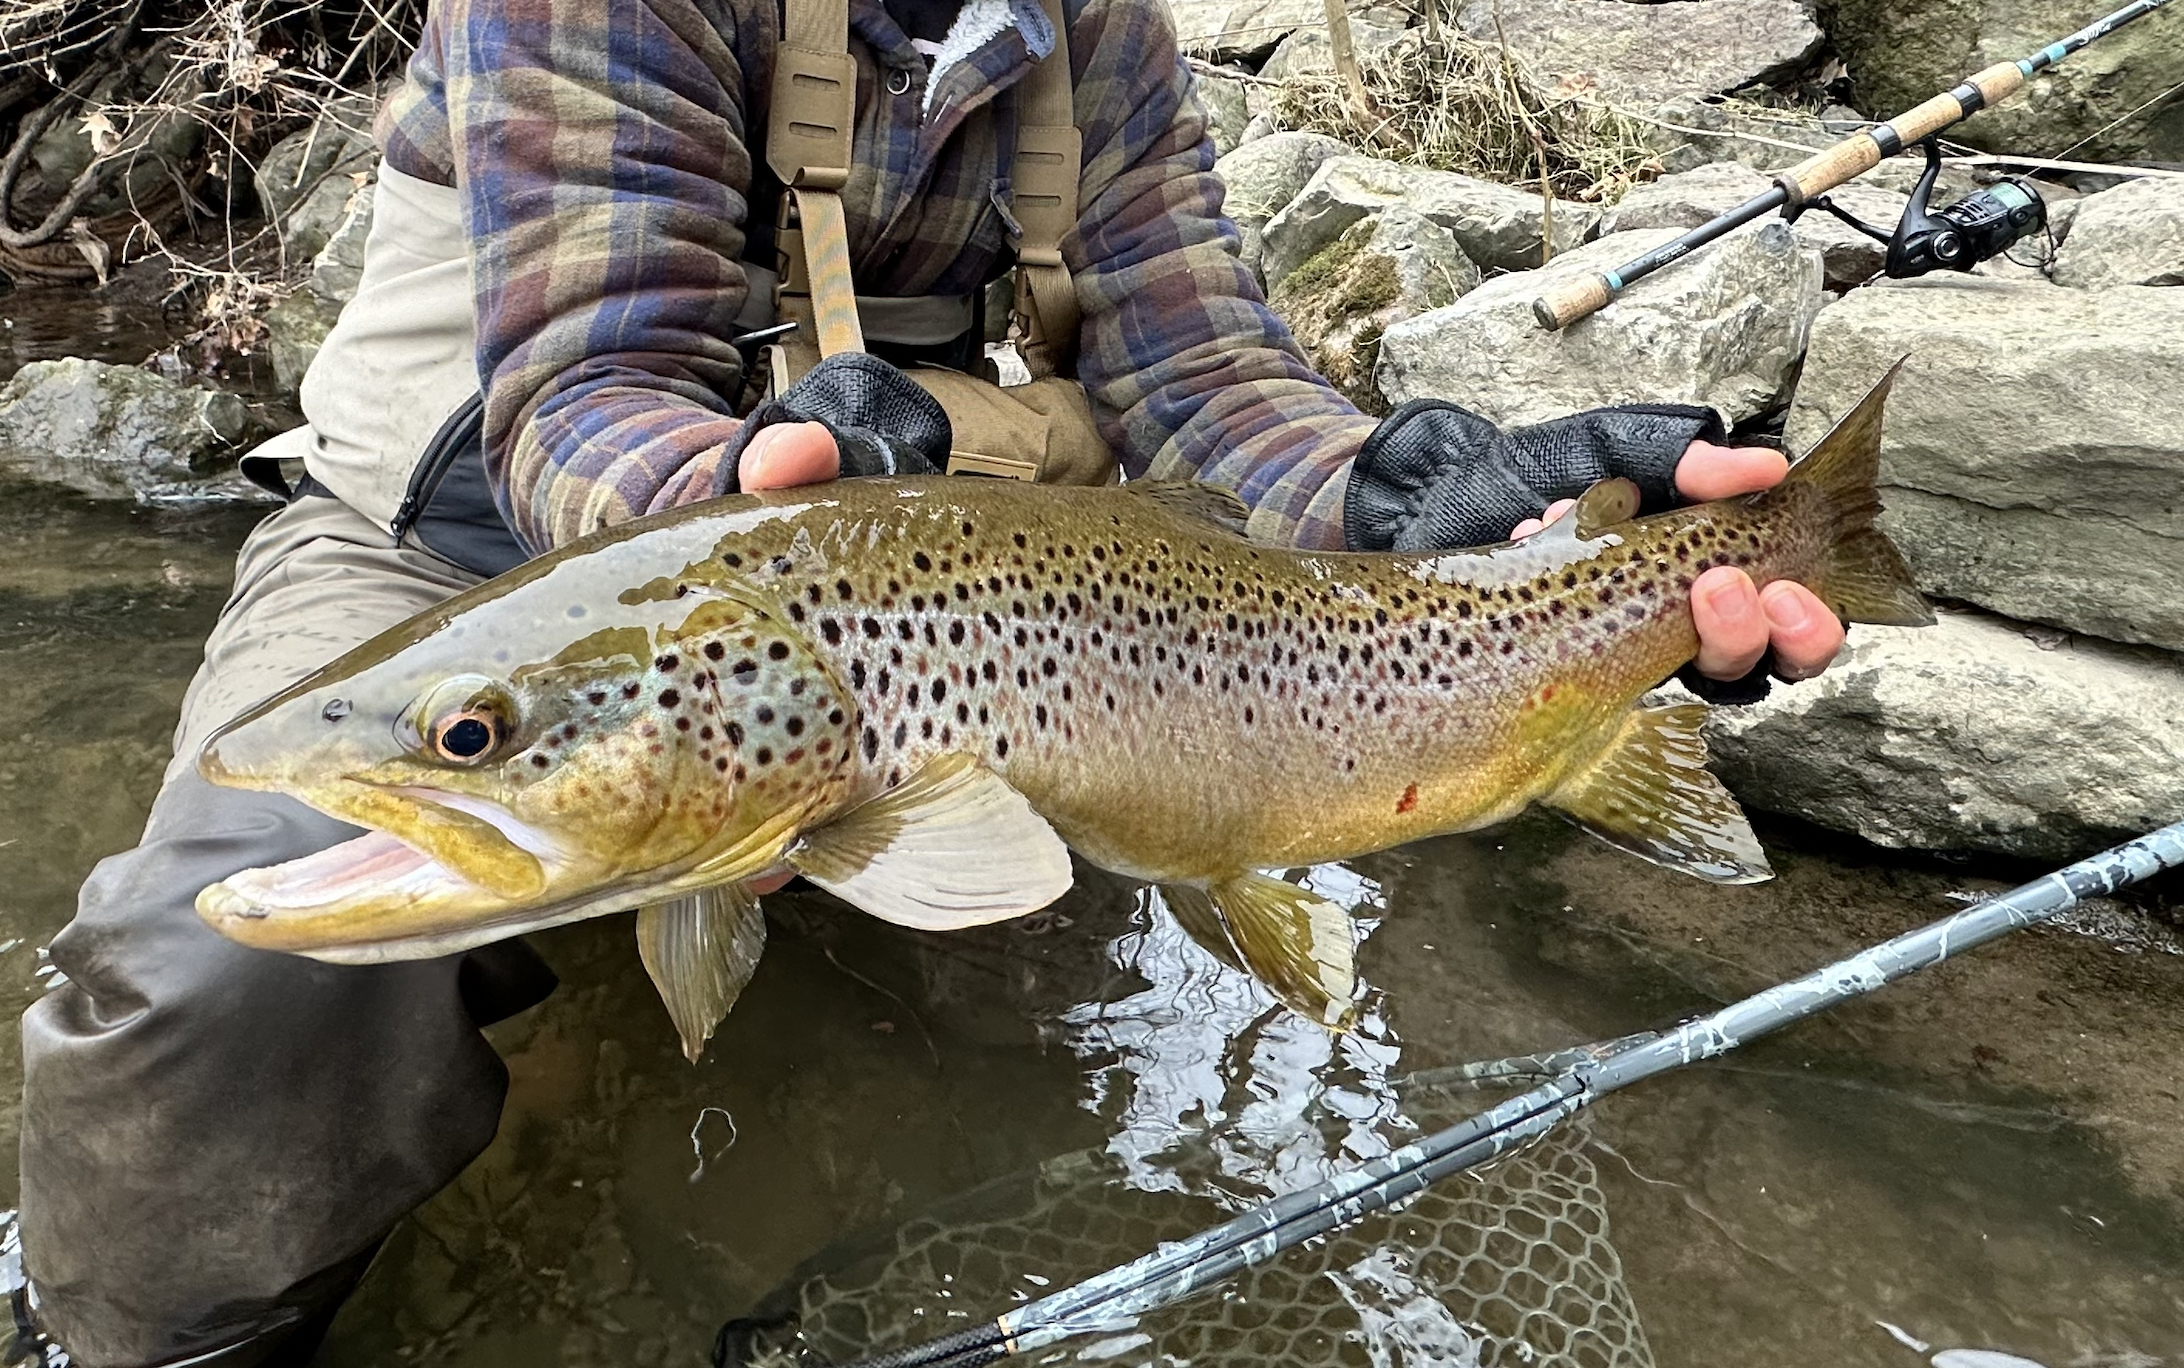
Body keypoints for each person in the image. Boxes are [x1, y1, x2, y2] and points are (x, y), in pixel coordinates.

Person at [7, 0, 1846, 1361]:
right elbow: (584, 382)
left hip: (900, 622)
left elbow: (1201, 376)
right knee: (205, 995)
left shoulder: (1092, 34)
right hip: (468, 561)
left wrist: (1388, 494)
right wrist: (742, 502)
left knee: (1033, 1037)